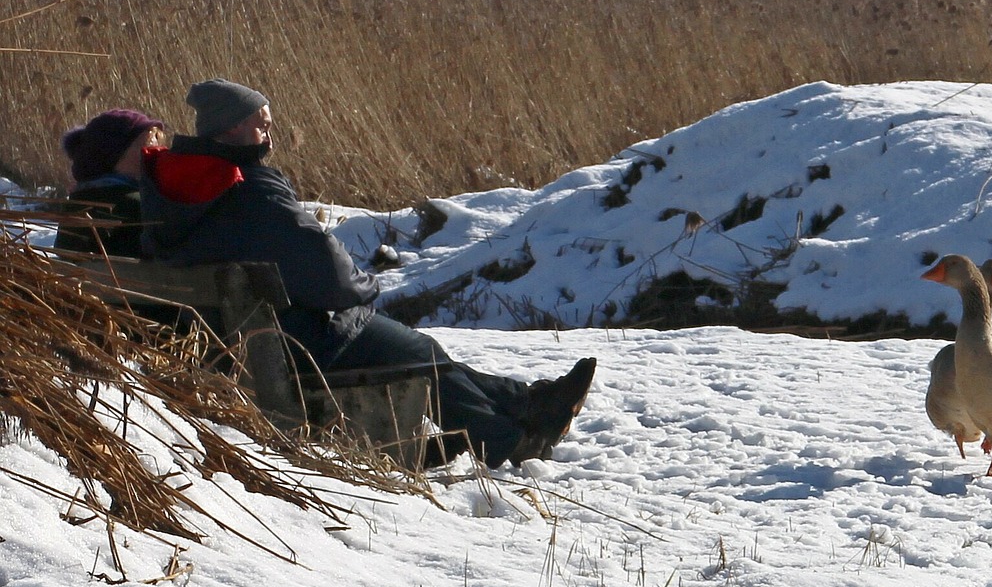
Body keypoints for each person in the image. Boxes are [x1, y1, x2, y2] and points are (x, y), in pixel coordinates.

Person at [139, 79, 594, 468]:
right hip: (287, 343)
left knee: (419, 349)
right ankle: (509, 439)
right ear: (234, 127)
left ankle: (529, 402)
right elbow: (326, 269)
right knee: (419, 351)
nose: (269, 131)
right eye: (262, 123)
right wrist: (366, 286)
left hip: (224, 341)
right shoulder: (249, 188)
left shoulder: (169, 186)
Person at [55, 109, 165, 257]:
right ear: (114, 156)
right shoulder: (137, 205)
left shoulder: (77, 201)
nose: (156, 154)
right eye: (147, 147)